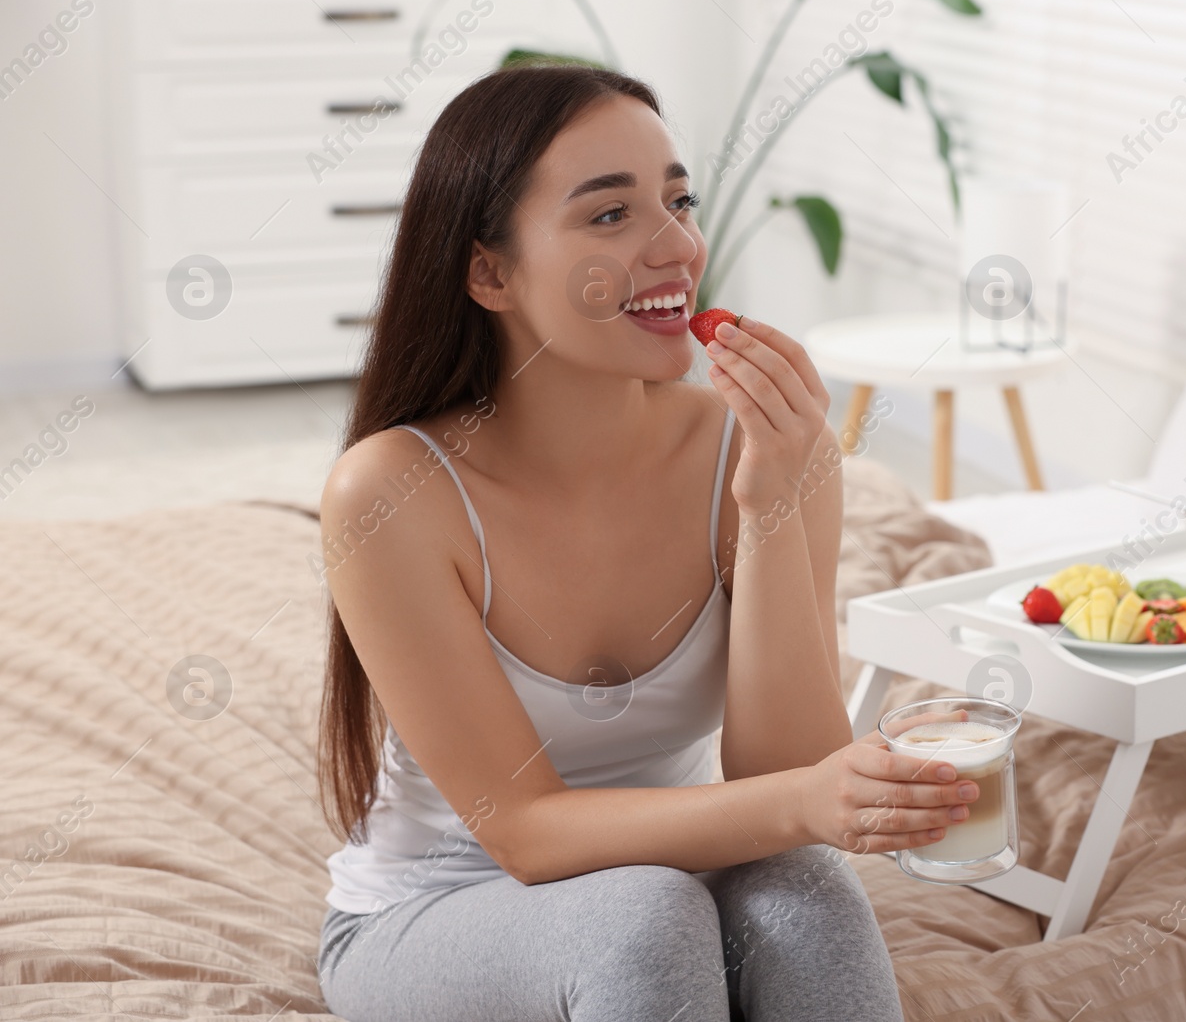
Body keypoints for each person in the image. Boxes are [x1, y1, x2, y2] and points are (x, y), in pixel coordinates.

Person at [311, 63, 978, 1022]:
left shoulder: (760, 452)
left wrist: (772, 505)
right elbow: (530, 835)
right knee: (647, 914)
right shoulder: (390, 493)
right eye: (610, 217)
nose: (678, 247)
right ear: (489, 272)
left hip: (674, 873)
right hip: (440, 909)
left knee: (805, 896)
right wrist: (808, 802)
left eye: (678, 201)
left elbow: (779, 770)